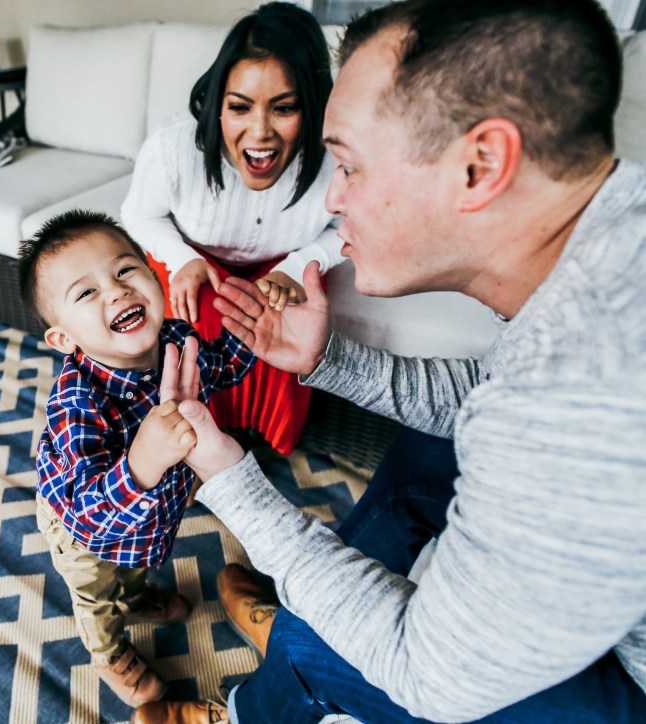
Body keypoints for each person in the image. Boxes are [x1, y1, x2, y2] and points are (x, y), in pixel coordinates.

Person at [133, 0, 646, 722]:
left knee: (323, 647)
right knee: (428, 450)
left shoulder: (576, 400)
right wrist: (329, 360)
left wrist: (227, 478)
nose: (333, 198)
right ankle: (305, 612)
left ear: (482, 164)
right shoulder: (617, 238)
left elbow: (427, 673)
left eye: (347, 164)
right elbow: (483, 395)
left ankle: (259, 694)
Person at [18, 209, 257, 707]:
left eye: (126, 270)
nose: (117, 290)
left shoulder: (175, 338)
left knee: (133, 568)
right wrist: (140, 467)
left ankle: (135, 597)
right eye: (86, 293)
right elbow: (90, 515)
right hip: (81, 530)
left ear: (153, 275)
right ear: (64, 339)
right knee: (97, 596)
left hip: (147, 522)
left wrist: (255, 330)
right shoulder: (77, 403)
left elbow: (218, 369)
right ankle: (107, 653)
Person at [120, 1, 343, 457]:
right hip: (194, 258)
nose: (259, 133)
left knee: (282, 316)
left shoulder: (337, 154)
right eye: (240, 107)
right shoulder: (173, 147)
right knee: (198, 309)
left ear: (313, 106)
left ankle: (263, 440)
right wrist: (184, 260)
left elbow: (347, 228)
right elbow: (139, 215)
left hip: (286, 262)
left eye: (284, 109)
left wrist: (298, 267)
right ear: (219, 102)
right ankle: (195, 439)